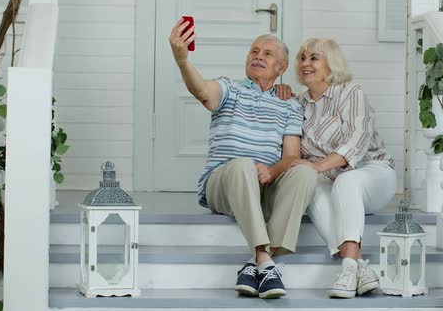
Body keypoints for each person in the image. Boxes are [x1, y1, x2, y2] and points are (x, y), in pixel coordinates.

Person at [168, 19, 317, 299]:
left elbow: (292, 156)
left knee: (305, 172)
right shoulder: (229, 89)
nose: (258, 56)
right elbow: (202, 91)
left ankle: (254, 267)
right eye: (254, 51)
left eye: (267, 54)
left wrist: (272, 172)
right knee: (241, 165)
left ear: (281, 68)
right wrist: (182, 60)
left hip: (263, 186)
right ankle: (263, 257)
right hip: (223, 185)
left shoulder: (290, 104)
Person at [277, 38, 396, 298]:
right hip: (329, 180)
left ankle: (349, 266)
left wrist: (316, 165)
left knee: (346, 180)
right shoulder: (298, 104)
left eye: (314, 58)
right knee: (310, 185)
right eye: (302, 58)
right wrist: (280, 91)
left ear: (332, 64)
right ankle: (357, 267)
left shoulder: (351, 92)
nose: (305, 63)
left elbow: (356, 141)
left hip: (373, 173)